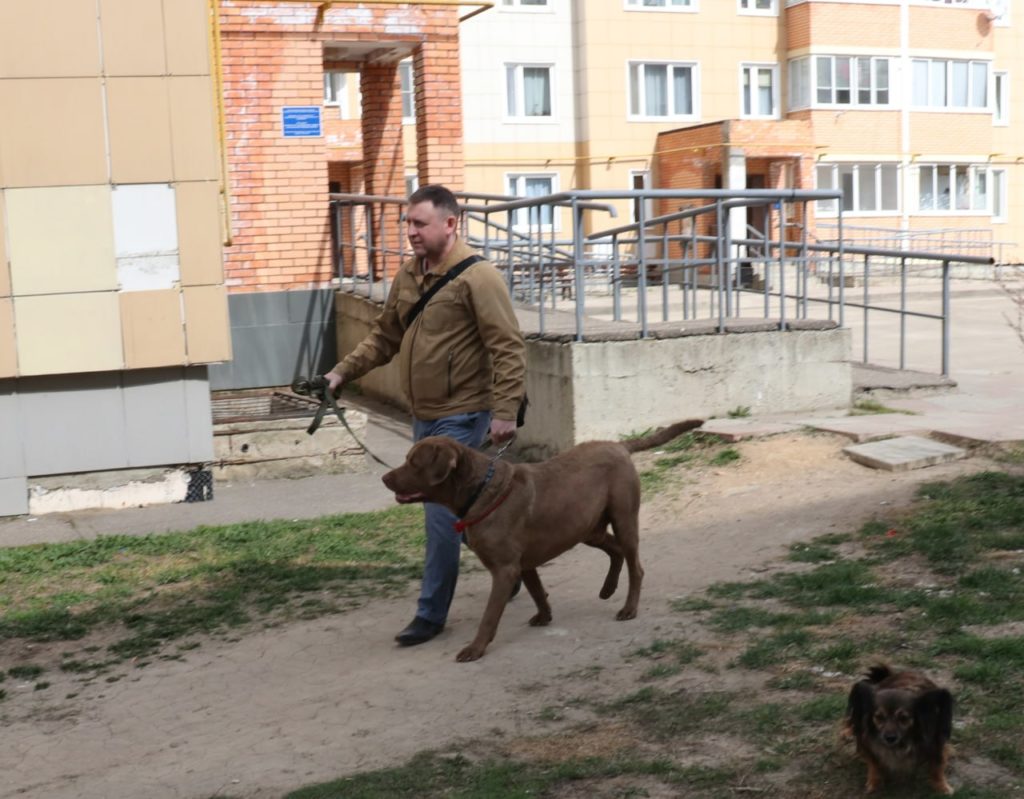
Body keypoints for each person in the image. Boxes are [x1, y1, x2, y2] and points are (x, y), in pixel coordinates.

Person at [325, 184, 527, 647]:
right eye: (408, 223)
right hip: (425, 419)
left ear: (450, 223)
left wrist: (505, 411)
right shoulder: (409, 276)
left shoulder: (479, 278)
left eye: (419, 223)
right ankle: (512, 568)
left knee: (440, 520)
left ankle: (430, 615)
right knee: (463, 513)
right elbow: (384, 337)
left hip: (463, 418)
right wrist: (340, 373)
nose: (410, 232)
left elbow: (508, 348)